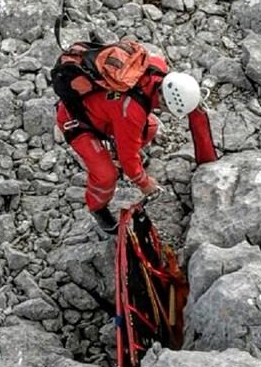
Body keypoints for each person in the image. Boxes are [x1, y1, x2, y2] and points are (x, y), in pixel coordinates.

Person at [55, 54, 202, 234]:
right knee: (106, 175)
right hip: (75, 121)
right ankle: (97, 208)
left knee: (151, 126)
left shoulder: (156, 68)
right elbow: (129, 158)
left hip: (100, 111)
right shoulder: (131, 112)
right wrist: (144, 182)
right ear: (165, 101)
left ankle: (114, 153)